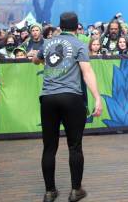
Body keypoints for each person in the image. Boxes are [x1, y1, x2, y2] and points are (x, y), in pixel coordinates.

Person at [33, 12, 102, 202]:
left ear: (60, 26)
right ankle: (75, 190)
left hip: (48, 98)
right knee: (75, 146)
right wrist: (97, 98)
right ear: (77, 26)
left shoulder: (47, 44)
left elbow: (36, 60)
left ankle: (49, 192)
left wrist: (36, 58)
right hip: (72, 98)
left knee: (49, 147)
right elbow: (87, 72)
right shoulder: (79, 44)